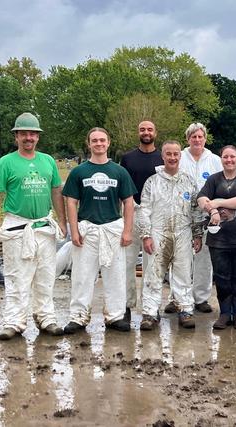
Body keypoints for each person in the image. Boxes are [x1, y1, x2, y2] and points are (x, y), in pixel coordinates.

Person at [0, 112, 67, 340]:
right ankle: (14, 322)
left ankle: (46, 317)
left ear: (38, 137)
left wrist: (62, 220)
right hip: (18, 226)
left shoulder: (48, 161)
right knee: (16, 276)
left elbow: (56, 191)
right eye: (24, 134)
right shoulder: (7, 162)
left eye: (32, 133)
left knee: (45, 275)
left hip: (43, 226)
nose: (28, 137)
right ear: (16, 136)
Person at [62, 127, 137, 334]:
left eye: (102, 140)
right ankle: (78, 317)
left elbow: (129, 202)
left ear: (108, 143)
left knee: (115, 275)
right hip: (88, 230)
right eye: (94, 140)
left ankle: (115, 316)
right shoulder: (79, 172)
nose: (98, 144)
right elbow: (71, 202)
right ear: (89, 144)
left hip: (112, 229)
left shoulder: (119, 172)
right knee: (82, 276)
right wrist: (74, 230)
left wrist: (128, 231)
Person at [137, 140, 204, 330]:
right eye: (169, 154)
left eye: (176, 154)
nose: (172, 157)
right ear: (163, 156)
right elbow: (144, 210)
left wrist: (197, 234)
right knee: (153, 274)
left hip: (183, 232)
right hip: (158, 233)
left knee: (183, 273)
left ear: (180, 156)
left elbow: (196, 209)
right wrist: (146, 235)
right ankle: (150, 313)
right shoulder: (152, 182)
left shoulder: (189, 181)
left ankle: (185, 309)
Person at [197, 145, 236, 330]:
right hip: (218, 239)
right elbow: (201, 199)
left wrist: (219, 201)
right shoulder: (214, 180)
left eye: (232, 157)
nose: (229, 160)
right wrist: (212, 209)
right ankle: (224, 313)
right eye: (225, 157)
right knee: (221, 277)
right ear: (221, 159)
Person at [167, 123, 222, 314]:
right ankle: (176, 297)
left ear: (205, 138)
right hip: (181, 215)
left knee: (204, 257)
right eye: (193, 137)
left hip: (207, 215)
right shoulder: (180, 158)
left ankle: (201, 298)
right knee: (178, 256)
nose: (197, 140)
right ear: (187, 139)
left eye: (200, 137)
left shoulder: (214, 160)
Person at [119, 120, 164, 322]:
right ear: (138, 132)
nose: (146, 132)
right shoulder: (128, 158)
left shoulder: (162, 157)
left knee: (152, 265)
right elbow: (121, 188)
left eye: (150, 129)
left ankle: (150, 308)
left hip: (155, 215)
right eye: (142, 129)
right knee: (127, 263)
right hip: (131, 212)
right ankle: (126, 306)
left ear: (155, 132)